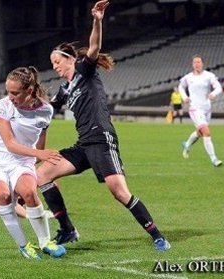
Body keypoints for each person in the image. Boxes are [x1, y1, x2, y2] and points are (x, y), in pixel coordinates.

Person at [36, 0, 171, 252]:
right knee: (41, 175)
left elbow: (95, 46)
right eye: (51, 62)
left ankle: (157, 235)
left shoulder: (84, 71)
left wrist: (97, 20)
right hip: (83, 144)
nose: (54, 66)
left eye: (56, 61)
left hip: (101, 139)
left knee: (119, 192)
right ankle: (67, 230)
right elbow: (46, 110)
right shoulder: (64, 89)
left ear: (69, 59)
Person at [0, 66, 66, 259]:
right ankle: (24, 245)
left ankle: (45, 242)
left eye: (15, 93)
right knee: (2, 195)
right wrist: (40, 153)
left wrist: (35, 163)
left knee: (29, 192)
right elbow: (10, 144)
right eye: (8, 91)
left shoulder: (46, 110)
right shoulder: (3, 106)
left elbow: (41, 137)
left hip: (23, 161)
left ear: (29, 91)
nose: (10, 96)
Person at [179, 54, 223, 167]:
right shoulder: (188, 77)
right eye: (195, 62)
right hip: (194, 108)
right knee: (206, 132)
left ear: (202, 63)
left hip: (206, 108)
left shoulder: (209, 76)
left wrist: (213, 93)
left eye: (199, 62)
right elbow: (181, 87)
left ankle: (187, 144)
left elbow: (219, 87)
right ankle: (214, 159)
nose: (197, 64)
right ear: (192, 64)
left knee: (201, 132)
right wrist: (184, 97)